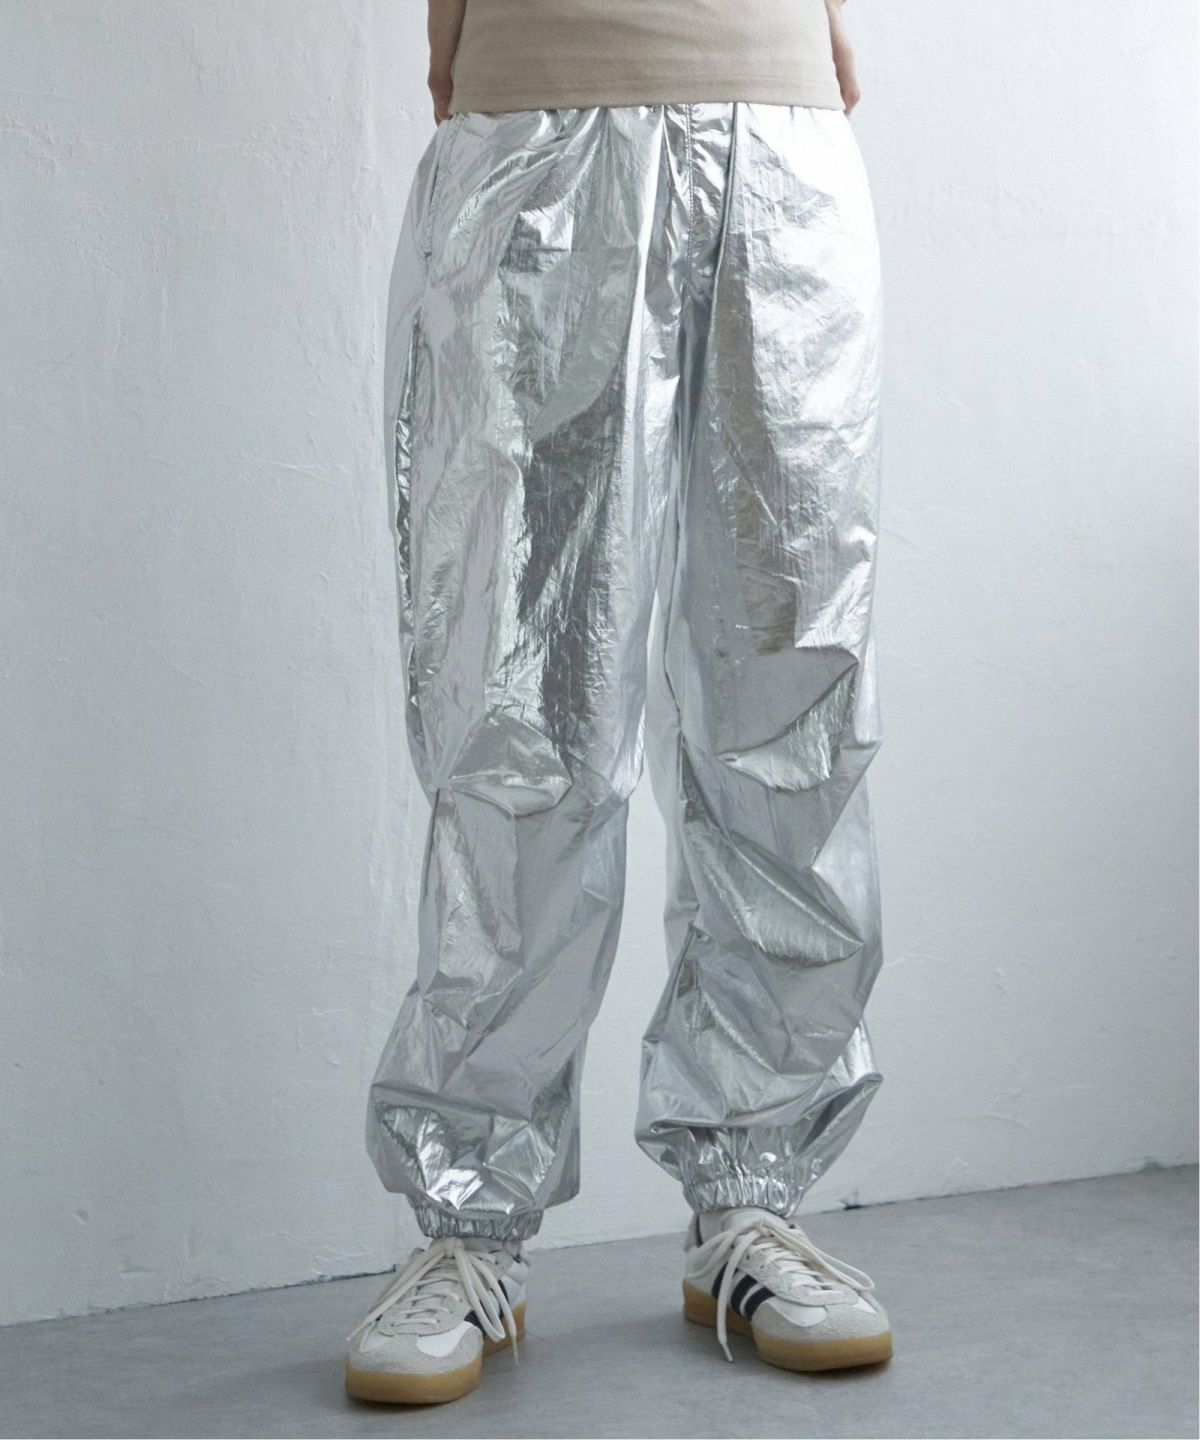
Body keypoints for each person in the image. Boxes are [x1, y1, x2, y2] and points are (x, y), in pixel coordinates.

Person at [346, 0, 891, 1405]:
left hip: (780, 136)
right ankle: (469, 1221)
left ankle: (752, 1197)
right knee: (524, 716)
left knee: (789, 710)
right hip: (544, 114)